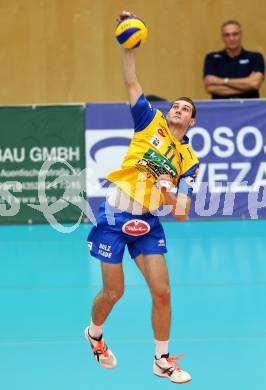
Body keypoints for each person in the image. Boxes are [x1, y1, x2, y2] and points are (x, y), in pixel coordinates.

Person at [85, 11, 199, 384]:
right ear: (168, 113)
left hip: (148, 223)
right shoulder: (149, 122)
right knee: (113, 291)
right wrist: (128, 42)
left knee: (163, 293)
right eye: (176, 106)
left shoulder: (189, 161)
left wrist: (168, 189)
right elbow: (131, 80)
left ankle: (161, 359)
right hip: (116, 217)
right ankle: (95, 334)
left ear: (193, 122)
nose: (179, 109)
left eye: (187, 109)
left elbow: (182, 213)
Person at [203, 20, 265, 99]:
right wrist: (246, 86)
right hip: (221, 108)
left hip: (249, 109)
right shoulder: (212, 58)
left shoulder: (255, 57)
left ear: (241, 35)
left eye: (235, 34)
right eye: (227, 35)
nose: (231, 38)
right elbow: (210, 88)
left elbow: (254, 84)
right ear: (222, 37)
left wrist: (222, 81)